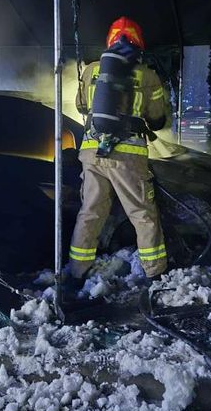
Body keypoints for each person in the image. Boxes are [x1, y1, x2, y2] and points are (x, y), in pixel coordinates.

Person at [67, 17, 171, 288]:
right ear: (138, 43)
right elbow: (158, 119)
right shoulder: (147, 76)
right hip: (127, 155)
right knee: (142, 214)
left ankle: (77, 272)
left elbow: (80, 106)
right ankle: (155, 273)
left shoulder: (91, 70)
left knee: (90, 212)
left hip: (91, 152)